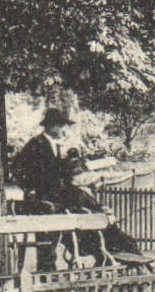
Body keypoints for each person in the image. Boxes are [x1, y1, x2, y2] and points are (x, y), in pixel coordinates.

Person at [9, 108, 139, 259]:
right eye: (60, 126)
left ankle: (110, 234)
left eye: (63, 126)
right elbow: (21, 169)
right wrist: (30, 188)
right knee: (81, 200)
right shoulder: (37, 144)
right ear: (50, 126)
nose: (62, 130)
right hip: (47, 194)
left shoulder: (52, 144)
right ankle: (110, 235)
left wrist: (69, 165)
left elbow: (58, 171)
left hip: (59, 191)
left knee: (86, 202)